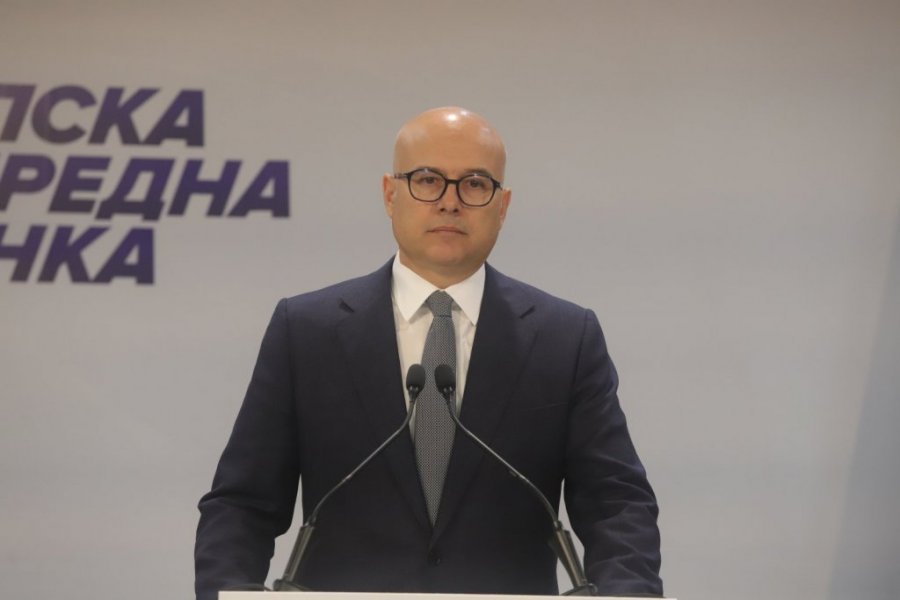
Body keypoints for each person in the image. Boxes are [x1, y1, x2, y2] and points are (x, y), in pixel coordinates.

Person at [195, 107, 663, 598]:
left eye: (475, 184)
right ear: (389, 194)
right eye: (427, 180)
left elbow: (617, 504)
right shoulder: (307, 332)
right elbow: (242, 505)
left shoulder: (564, 338)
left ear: (503, 206)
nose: (449, 203)